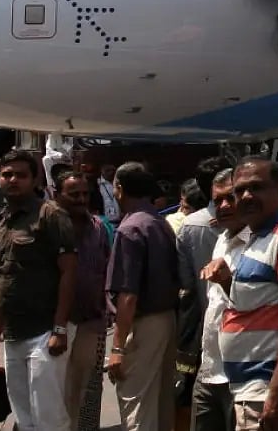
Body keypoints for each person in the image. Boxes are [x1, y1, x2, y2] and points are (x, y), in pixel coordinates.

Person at [204, 157, 278, 430]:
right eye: (240, 190)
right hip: (254, 388)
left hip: (272, 391)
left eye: (257, 187)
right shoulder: (259, 237)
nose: (246, 196)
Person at [0, 149, 79, 431]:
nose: (13, 180)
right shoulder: (2, 221)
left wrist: (60, 329)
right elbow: (1, 283)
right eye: (7, 174)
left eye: (21, 175)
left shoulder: (51, 215)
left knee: (48, 418)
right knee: (23, 418)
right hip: (14, 335)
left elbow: (69, 272)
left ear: (35, 179)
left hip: (45, 332)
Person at [105, 161, 182, 431]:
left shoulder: (130, 229)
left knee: (135, 403)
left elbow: (128, 295)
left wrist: (116, 348)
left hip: (142, 325)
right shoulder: (159, 223)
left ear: (120, 189)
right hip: (167, 321)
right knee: (159, 403)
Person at [52, 171, 112, 431]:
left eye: (85, 194)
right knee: (56, 391)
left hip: (92, 321)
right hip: (55, 324)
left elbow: (109, 269)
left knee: (88, 388)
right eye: (73, 194)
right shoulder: (49, 227)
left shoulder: (100, 228)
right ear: (57, 195)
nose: (81, 199)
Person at [193, 169, 241, 431]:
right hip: (209, 368)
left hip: (241, 377)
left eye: (230, 198)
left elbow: (260, 308)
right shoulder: (222, 239)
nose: (223, 206)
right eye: (217, 200)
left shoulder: (265, 242)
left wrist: (226, 281)